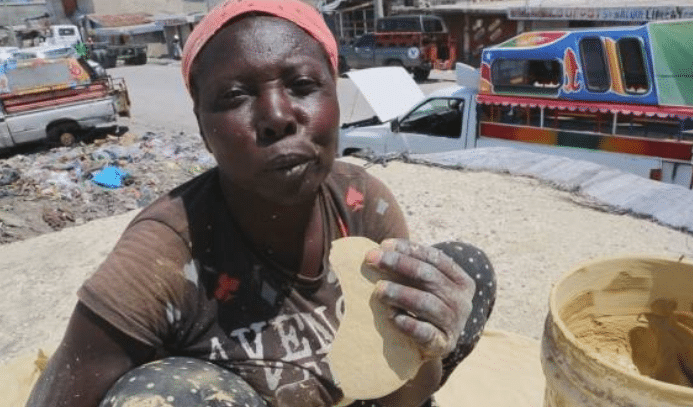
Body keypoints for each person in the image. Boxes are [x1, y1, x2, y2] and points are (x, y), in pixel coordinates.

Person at [26, 1, 495, 406]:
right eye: (234, 96)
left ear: (334, 97)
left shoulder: (361, 205)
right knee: (167, 392)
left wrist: (429, 344)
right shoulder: (161, 257)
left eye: (304, 85)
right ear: (203, 127)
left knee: (462, 272)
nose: (276, 117)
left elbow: (402, 393)